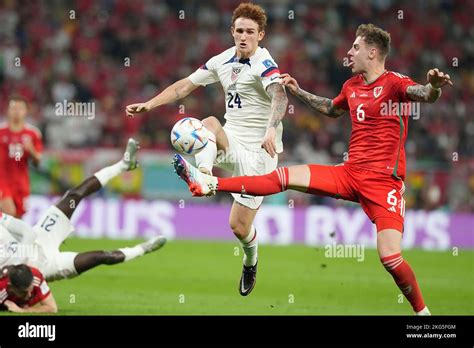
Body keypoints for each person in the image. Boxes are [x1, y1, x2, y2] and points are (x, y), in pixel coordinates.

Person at [173, 24, 454, 315]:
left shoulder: (394, 82)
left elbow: (423, 95)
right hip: (348, 174)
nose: (349, 52)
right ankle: (209, 183)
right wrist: (298, 91)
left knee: (390, 258)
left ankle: (423, 315)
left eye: (355, 48)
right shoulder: (352, 86)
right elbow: (332, 109)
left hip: (384, 184)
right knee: (282, 177)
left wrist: (432, 86)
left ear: (373, 52)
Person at [125, 3, 288, 296]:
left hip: (261, 154)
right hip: (231, 143)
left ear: (260, 35)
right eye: (239, 30)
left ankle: (251, 261)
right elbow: (183, 87)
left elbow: (279, 95)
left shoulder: (265, 64)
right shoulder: (221, 60)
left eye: (250, 32)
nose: (244, 36)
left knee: (238, 227)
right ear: (232, 31)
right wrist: (149, 103)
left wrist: (271, 127)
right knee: (210, 123)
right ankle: (202, 176)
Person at [0, 138, 166, 282]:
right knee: (101, 257)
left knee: (73, 195)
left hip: (41, 237)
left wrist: (17, 262)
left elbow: (26, 232)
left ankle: (123, 165)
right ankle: (143, 249)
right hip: (47, 265)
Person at [0, 96, 43, 218]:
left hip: (21, 182)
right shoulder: (1, 132)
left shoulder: (33, 133)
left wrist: (31, 150)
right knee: (9, 212)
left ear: (25, 111)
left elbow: (38, 162)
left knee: (17, 219)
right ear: (8, 111)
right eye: (13, 108)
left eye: (20, 108)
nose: (16, 111)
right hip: (2, 180)